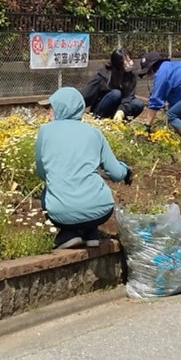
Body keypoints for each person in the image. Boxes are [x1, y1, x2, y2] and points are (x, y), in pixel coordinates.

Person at [35, 87, 133, 249]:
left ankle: (68, 234)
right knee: (88, 188)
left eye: (50, 108)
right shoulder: (94, 133)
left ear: (61, 107)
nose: (48, 113)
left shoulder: (45, 132)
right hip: (102, 211)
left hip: (62, 214)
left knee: (47, 191)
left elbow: (41, 172)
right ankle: (90, 233)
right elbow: (115, 173)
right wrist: (126, 170)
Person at [79, 48, 144, 122]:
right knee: (116, 94)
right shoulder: (103, 75)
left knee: (138, 104)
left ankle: (119, 122)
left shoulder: (131, 76)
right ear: (118, 63)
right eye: (126, 61)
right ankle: (99, 119)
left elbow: (129, 97)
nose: (130, 63)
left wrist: (121, 111)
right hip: (102, 108)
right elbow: (87, 94)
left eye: (130, 59)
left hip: (119, 108)